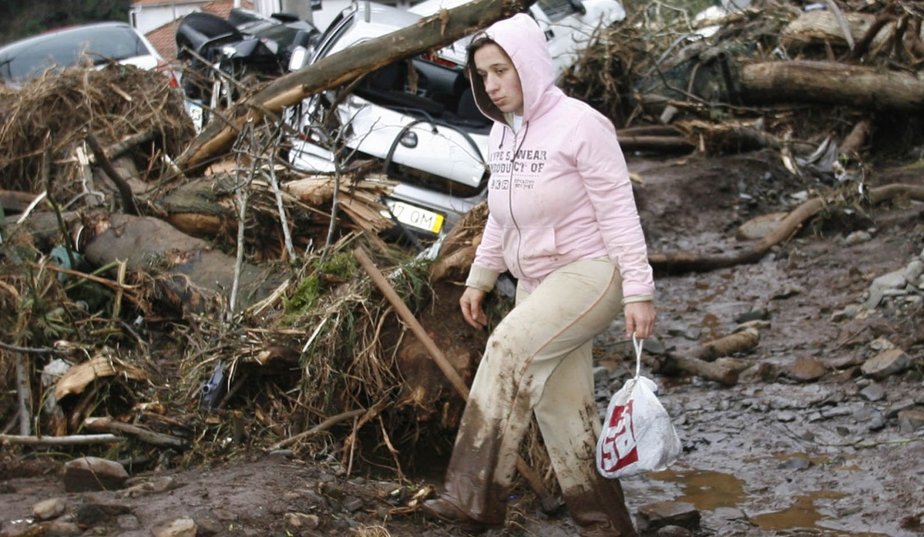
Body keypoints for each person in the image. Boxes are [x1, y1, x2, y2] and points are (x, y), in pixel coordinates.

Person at [419, 13, 656, 537]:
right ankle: (608, 525)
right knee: (563, 410)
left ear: (529, 64)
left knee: (507, 348)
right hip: (535, 284)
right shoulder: (504, 135)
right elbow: (499, 214)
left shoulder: (581, 124)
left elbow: (619, 211)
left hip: (588, 275)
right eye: (483, 75)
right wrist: (480, 278)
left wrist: (639, 290)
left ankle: (471, 498)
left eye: (501, 70)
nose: (492, 84)